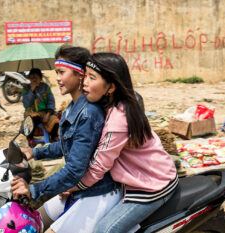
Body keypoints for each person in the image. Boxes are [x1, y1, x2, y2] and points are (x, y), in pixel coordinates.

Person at [63, 53, 178, 233]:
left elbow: (98, 167)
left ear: (111, 87)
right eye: (85, 75)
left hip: (152, 186)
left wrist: (72, 186)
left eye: (92, 77)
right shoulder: (113, 105)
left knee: (104, 230)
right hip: (139, 178)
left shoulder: (118, 119)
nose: (84, 81)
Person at [11, 46, 119, 233]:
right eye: (56, 73)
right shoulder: (72, 107)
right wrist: (33, 152)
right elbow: (67, 145)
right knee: (34, 220)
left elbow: (74, 169)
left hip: (97, 194)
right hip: (78, 188)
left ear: (79, 75)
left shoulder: (88, 113)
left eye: (61, 72)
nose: (57, 78)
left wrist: (34, 190)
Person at [22, 68, 59, 144]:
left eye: (36, 78)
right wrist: (31, 90)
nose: (34, 80)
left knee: (55, 119)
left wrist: (48, 114)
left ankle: (54, 137)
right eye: (32, 78)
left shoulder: (45, 87)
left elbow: (51, 102)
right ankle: (30, 138)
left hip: (44, 112)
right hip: (31, 112)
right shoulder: (26, 88)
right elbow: (26, 104)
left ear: (41, 78)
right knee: (32, 119)